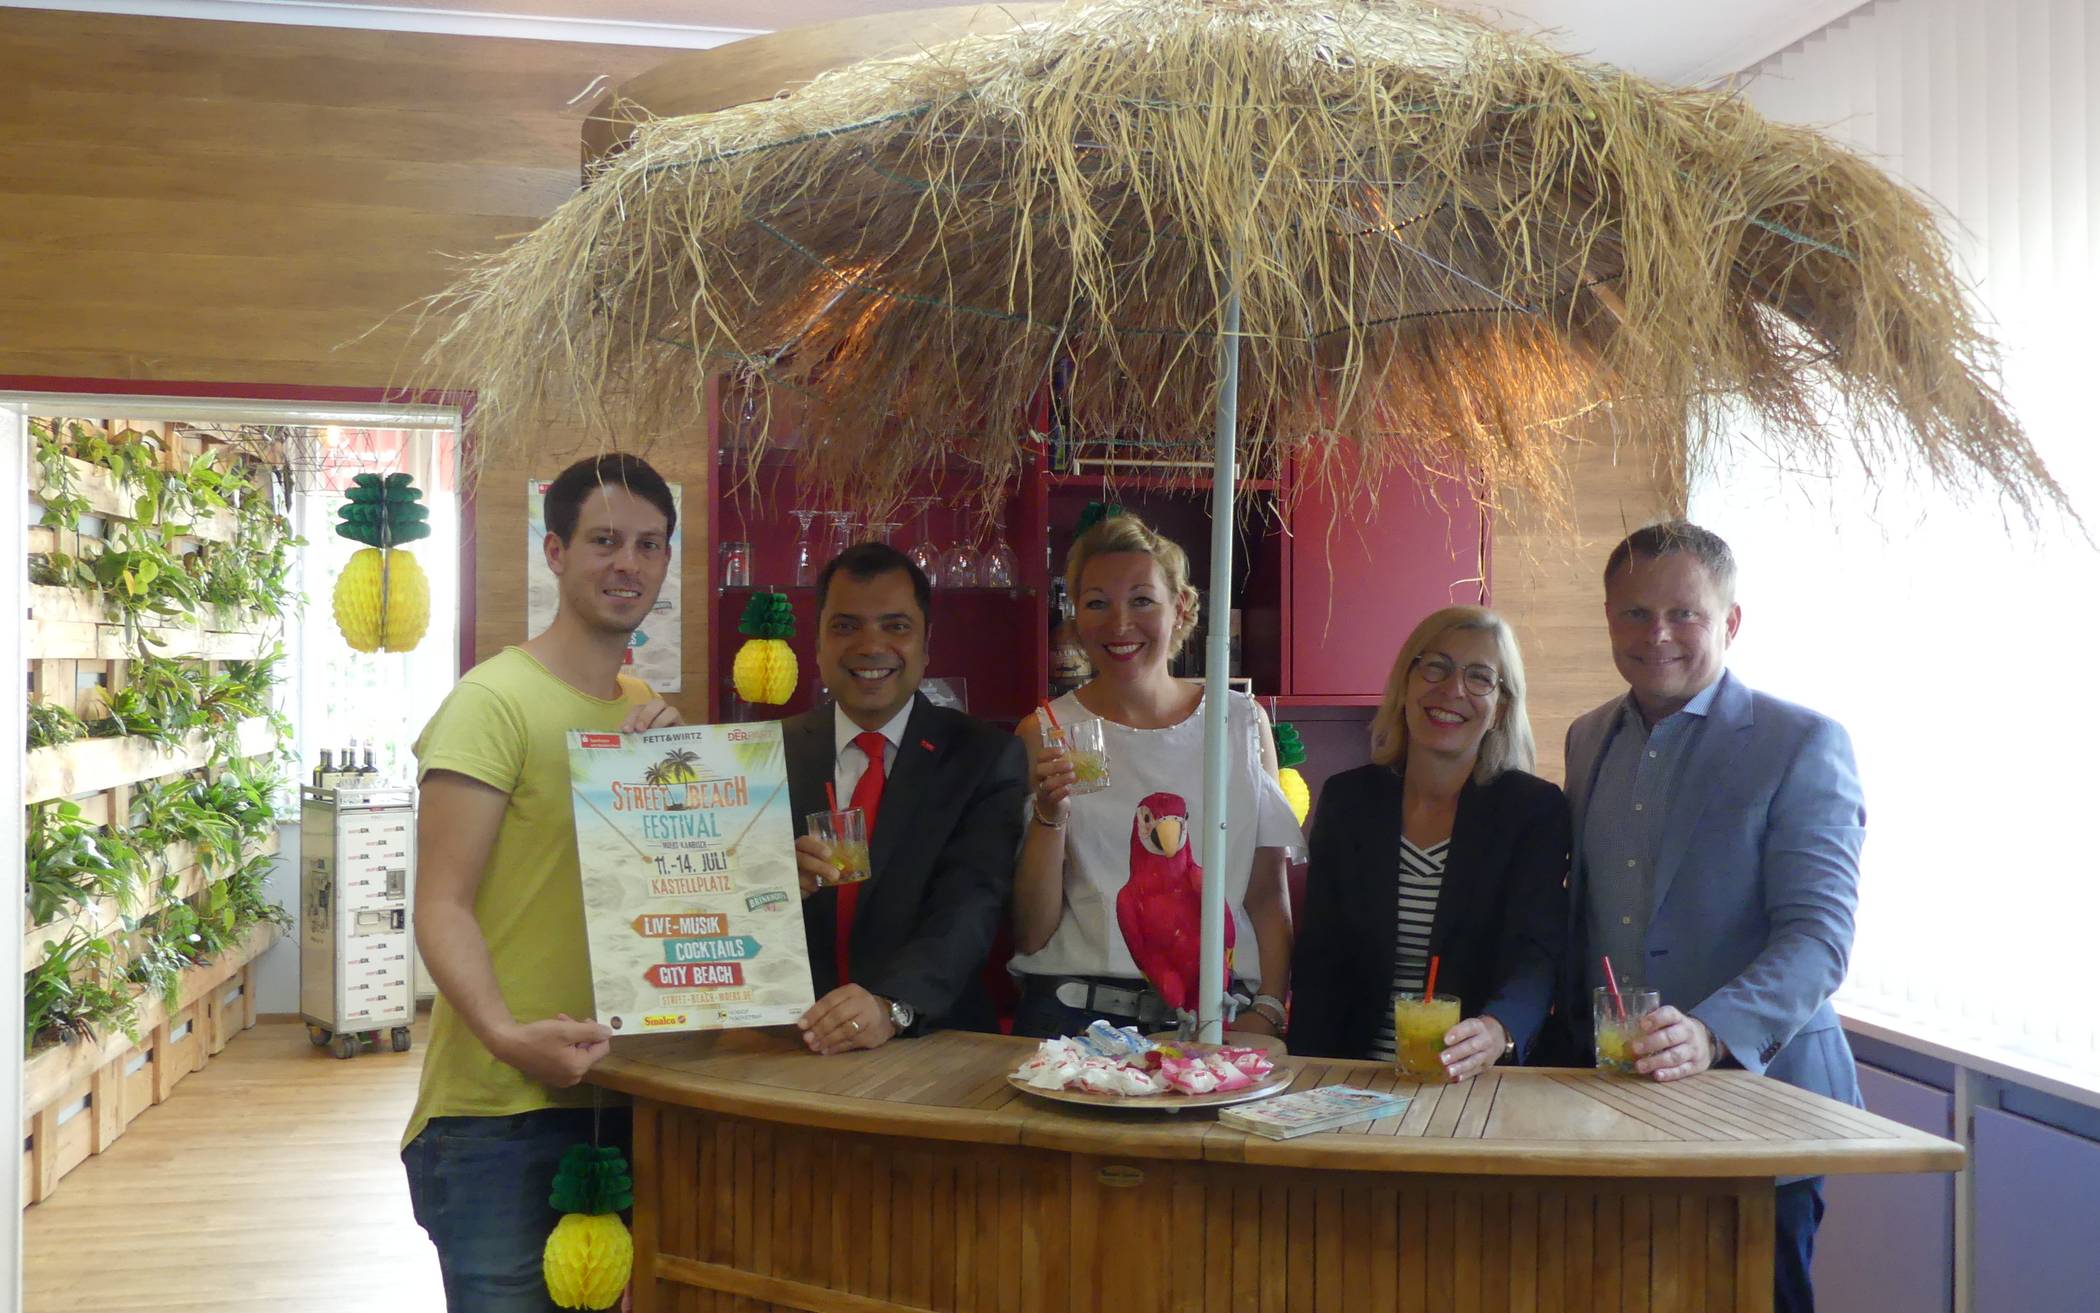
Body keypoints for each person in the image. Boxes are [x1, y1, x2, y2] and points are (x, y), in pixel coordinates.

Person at [1558, 520, 1865, 1313]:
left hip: (1760, 1109)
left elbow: (1819, 937)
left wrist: (1712, 1030)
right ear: (1608, 618)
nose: (1656, 634)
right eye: (1634, 613)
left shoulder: (1803, 742)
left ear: (1730, 621)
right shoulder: (1586, 739)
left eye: (1683, 613)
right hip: (1613, 1110)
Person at [403, 453, 683, 1311]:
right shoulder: (492, 701)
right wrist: (502, 1033)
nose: (627, 563)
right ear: (555, 551)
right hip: (496, 1112)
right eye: (604, 540)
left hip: (625, 1090)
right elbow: (440, 903)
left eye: (648, 544)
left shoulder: (643, 706)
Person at [1010, 512, 1301, 1039]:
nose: (1120, 623)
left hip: (1216, 1015)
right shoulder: (1045, 731)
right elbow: (1031, 933)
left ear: (1182, 607)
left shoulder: (1239, 723)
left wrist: (1269, 1009)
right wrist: (1050, 818)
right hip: (1075, 1017)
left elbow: (1265, 893)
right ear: (1075, 616)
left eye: (1142, 600)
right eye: (1097, 603)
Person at [1288, 607, 1569, 1075]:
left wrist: (1500, 1028)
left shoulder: (1533, 810)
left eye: (1479, 677)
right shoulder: (1348, 799)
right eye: (1436, 666)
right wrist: (1305, 1075)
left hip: (1472, 1074)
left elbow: (1536, 953)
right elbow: (1319, 955)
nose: (1453, 689)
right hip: (1354, 1074)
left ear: (1501, 707)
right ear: (1406, 684)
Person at [782, 542, 1028, 1054]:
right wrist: (769, 883)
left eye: (895, 626)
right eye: (845, 626)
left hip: (932, 1043)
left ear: (925, 643)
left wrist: (893, 1005)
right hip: (788, 1046)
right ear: (818, 641)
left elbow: (970, 907)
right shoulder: (765, 756)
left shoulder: (983, 757)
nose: (871, 646)